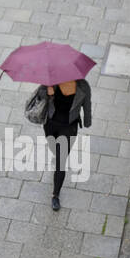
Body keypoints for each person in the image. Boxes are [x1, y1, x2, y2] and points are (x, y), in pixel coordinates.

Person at [30, 79, 92, 211]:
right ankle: (57, 154)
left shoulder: (83, 86)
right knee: (54, 149)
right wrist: (49, 93)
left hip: (69, 127)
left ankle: (55, 195)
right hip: (51, 125)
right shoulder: (52, 80)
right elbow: (39, 94)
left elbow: (87, 105)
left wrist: (87, 121)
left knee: (60, 160)